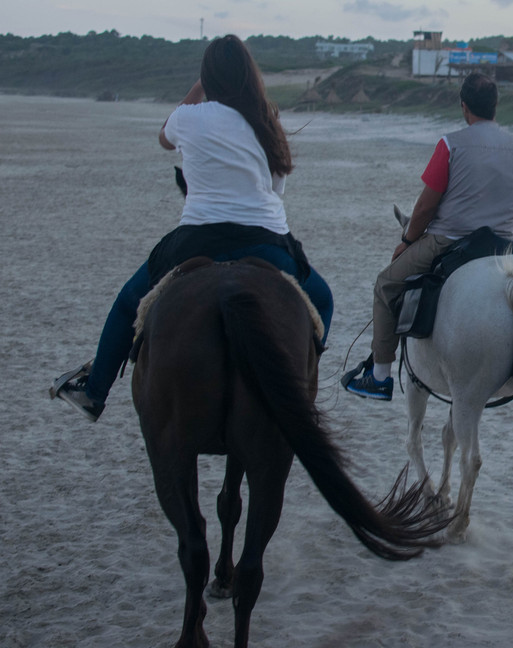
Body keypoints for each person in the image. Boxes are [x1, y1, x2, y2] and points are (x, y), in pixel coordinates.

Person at [52, 34, 333, 422]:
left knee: (127, 303)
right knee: (322, 299)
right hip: (266, 239)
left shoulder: (189, 117)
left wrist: (197, 89)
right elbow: (276, 187)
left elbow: (164, 138)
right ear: (249, 75)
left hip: (197, 237)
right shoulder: (265, 118)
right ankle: (302, 395)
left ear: (208, 78)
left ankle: (95, 392)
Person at [343, 72, 513, 400]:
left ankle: (380, 376)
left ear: (463, 106)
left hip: (451, 240)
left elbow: (427, 205)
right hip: (506, 246)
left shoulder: (451, 143)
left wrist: (408, 240)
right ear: (495, 105)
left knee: (385, 285)